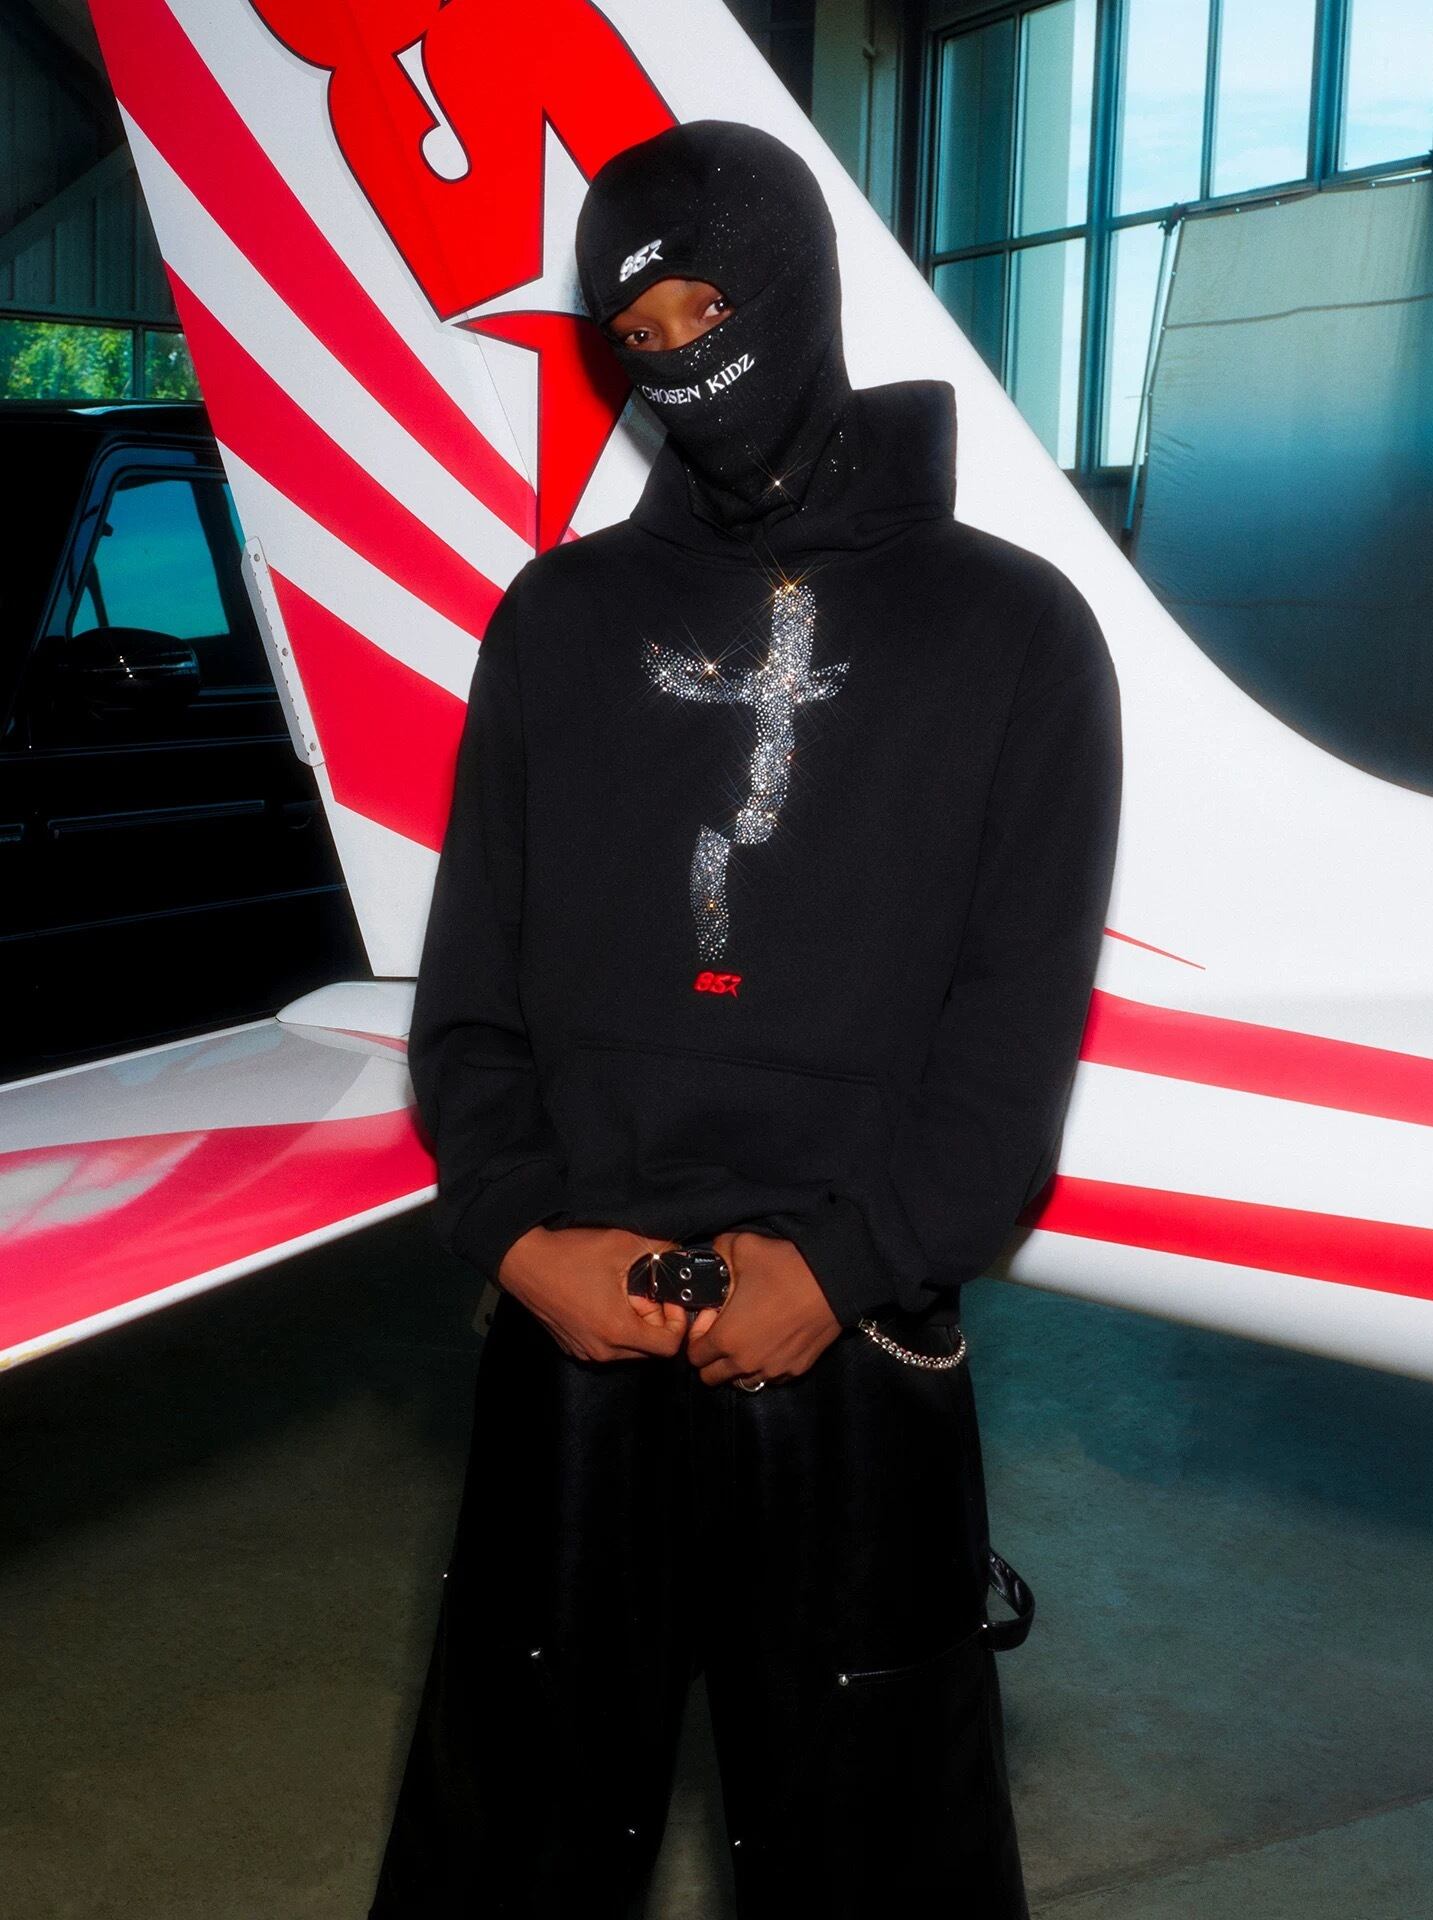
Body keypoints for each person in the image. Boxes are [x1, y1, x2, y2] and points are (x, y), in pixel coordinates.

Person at [368, 118, 1122, 1919]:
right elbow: (468, 1000)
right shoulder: (558, 622)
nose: (682, 359)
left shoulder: (1017, 636)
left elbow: (1010, 1052)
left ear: (799, 283)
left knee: (878, 1865)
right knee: (509, 1852)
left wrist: (848, 1264)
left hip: (851, 1354)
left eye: (710, 306)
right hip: (573, 1330)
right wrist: (520, 1237)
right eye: (638, 334)